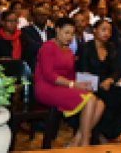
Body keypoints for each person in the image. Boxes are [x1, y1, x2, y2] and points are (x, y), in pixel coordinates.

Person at [35, 17, 105, 147]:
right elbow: (49, 75)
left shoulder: (68, 51)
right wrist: (74, 85)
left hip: (63, 87)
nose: (70, 36)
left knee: (100, 103)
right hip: (46, 88)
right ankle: (84, 143)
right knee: (90, 100)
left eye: (72, 33)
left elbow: (70, 76)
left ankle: (75, 141)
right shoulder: (48, 47)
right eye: (66, 32)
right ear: (57, 30)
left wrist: (83, 84)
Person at [76, 19, 121, 141]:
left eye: (109, 30)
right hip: (89, 85)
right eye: (103, 29)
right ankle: (99, 134)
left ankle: (110, 132)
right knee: (107, 98)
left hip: (107, 84)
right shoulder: (86, 47)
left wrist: (109, 80)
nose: (107, 33)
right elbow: (84, 71)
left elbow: (116, 71)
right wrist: (100, 83)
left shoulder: (111, 47)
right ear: (94, 30)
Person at [21, 3, 55, 69]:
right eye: (39, 15)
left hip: (52, 66)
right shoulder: (25, 31)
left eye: (44, 15)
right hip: (34, 67)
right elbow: (33, 47)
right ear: (33, 17)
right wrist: (50, 46)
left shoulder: (51, 31)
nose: (42, 17)